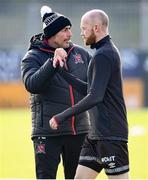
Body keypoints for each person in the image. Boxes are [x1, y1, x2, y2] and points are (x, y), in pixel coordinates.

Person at [49, 9, 130, 179]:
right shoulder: (101, 53)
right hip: (95, 137)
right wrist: (62, 73)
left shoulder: (105, 54)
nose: (81, 33)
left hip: (111, 137)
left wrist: (61, 116)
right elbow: (91, 90)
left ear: (96, 28)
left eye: (84, 28)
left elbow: (95, 96)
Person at [21, 5, 91, 179]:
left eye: (70, 29)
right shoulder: (32, 57)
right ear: (52, 34)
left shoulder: (81, 54)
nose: (70, 34)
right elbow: (32, 85)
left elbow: (94, 89)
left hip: (79, 131)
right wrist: (52, 62)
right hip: (47, 133)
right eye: (65, 30)